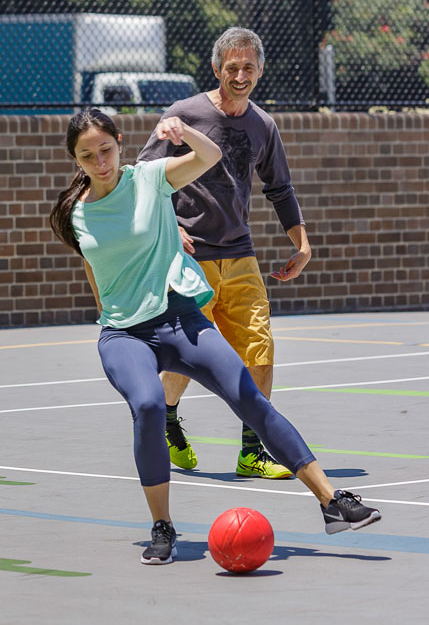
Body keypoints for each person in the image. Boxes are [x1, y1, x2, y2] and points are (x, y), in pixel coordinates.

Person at [49, 108, 381, 565]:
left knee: (248, 397)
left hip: (180, 318)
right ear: (75, 159)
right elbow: (94, 265)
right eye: (87, 156)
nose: (100, 162)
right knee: (148, 404)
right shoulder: (75, 212)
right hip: (124, 333)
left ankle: (332, 501)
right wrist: (110, 314)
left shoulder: (149, 178)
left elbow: (210, 156)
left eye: (105, 149)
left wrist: (183, 131)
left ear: (119, 142)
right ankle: (162, 526)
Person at [137, 27, 310, 479]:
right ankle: (167, 422)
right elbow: (143, 177)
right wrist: (171, 226)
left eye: (248, 67)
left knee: (260, 350)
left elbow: (280, 188)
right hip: (188, 258)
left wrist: (301, 243)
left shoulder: (263, 125)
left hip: (240, 255)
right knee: (186, 355)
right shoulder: (184, 114)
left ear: (260, 70)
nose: (240, 75)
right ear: (216, 69)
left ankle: (253, 452)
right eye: (232, 67)